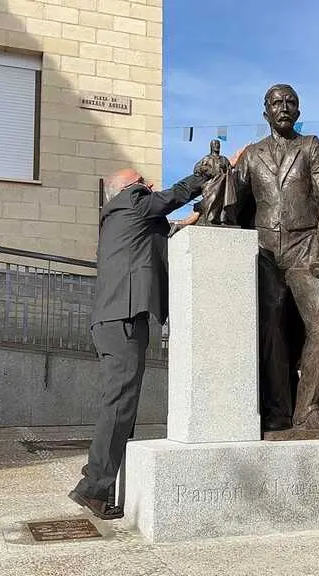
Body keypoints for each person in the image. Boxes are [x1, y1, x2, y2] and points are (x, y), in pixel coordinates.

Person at [70, 167, 209, 519]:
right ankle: (94, 488)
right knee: (118, 405)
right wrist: (204, 174)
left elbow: (169, 231)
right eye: (144, 182)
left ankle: (100, 480)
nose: (150, 186)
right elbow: (172, 197)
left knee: (119, 404)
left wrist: (193, 219)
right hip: (123, 319)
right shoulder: (132, 201)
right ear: (131, 188)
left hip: (115, 319)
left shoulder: (126, 218)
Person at [230, 84, 319, 434]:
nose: (284, 107)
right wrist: (217, 172)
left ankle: (309, 409)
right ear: (265, 112)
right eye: (277, 103)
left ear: (299, 111)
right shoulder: (251, 154)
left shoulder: (311, 148)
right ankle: (276, 410)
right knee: (271, 326)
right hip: (264, 250)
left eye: (290, 102)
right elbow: (233, 195)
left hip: (305, 246)